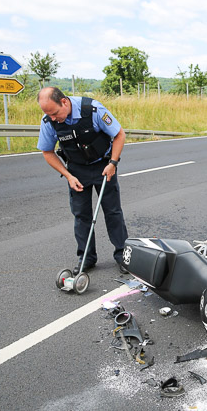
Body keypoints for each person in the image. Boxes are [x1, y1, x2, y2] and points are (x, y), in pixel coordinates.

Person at [37, 87, 129, 274]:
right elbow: (47, 152)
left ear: (64, 102)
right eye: (48, 114)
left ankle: (122, 254)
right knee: (81, 215)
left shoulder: (93, 110)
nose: (53, 118)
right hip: (76, 170)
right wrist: (68, 175)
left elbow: (119, 134)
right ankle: (87, 257)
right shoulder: (49, 121)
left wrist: (113, 163)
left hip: (104, 166)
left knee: (112, 212)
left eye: (55, 113)